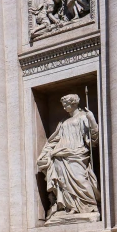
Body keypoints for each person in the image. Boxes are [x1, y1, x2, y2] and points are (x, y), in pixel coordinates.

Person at [37, 93, 100, 221]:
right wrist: (46, 153)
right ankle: (70, 207)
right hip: (60, 155)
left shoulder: (84, 117)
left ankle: (89, 205)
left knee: (80, 179)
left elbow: (94, 138)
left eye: (66, 104)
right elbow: (54, 140)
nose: (64, 107)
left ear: (74, 103)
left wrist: (92, 119)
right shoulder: (63, 122)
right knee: (63, 182)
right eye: (63, 105)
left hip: (77, 153)